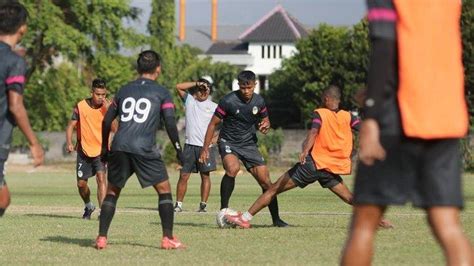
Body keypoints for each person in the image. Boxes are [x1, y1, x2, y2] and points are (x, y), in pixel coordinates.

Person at [341, 1, 473, 265]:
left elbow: (384, 45)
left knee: (364, 224)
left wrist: (371, 112)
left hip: (396, 114)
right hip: (444, 114)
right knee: (448, 226)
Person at [225, 86, 392, 229]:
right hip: (329, 168)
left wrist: (305, 150)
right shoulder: (348, 117)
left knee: (273, 189)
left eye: (321, 98)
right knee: (349, 197)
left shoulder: (321, 114)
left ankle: (244, 219)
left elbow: (314, 132)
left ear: (327, 99)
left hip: (313, 164)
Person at [96, 50, 185, 250]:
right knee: (164, 191)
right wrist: (179, 150)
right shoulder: (162, 92)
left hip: (119, 146)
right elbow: (170, 123)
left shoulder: (123, 90)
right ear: (158, 69)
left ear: (138, 69)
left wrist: (104, 147)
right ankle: (168, 238)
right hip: (144, 148)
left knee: (112, 192)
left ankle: (102, 237)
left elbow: (107, 120)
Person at [199, 70, 287, 227]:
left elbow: (265, 120)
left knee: (266, 183)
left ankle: (276, 219)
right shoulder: (228, 101)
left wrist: (266, 125)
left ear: (255, 85)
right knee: (232, 169)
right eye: (243, 88)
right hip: (228, 141)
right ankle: (223, 210)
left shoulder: (259, 101)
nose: (246, 91)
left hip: (249, 144)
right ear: (238, 85)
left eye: (249, 88)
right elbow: (213, 123)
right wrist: (205, 148)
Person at [0, 2, 44, 217]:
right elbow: (16, 106)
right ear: (23, 28)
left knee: (4, 198)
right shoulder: (14, 61)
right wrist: (34, 143)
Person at [65, 78, 111, 219]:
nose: (101, 97)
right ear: (92, 92)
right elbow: (70, 126)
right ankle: (89, 205)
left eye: (103, 94)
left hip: (101, 151)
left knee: (101, 178)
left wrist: (110, 112)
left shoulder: (108, 107)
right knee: (81, 184)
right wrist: (69, 142)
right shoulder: (80, 106)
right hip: (83, 151)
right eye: (98, 94)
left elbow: (116, 128)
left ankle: (103, 213)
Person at [174, 78, 218, 213]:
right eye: (200, 89)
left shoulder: (214, 106)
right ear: (196, 90)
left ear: (209, 90)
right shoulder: (190, 101)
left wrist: (216, 137)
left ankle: (203, 205)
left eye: (206, 89)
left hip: (206, 147)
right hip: (189, 146)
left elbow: (228, 124)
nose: (203, 92)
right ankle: (178, 205)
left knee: (205, 176)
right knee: (184, 175)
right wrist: (196, 83)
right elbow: (178, 86)